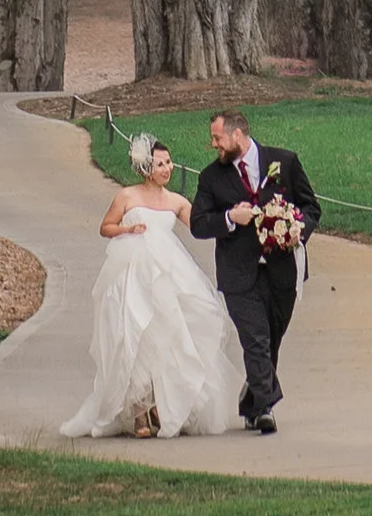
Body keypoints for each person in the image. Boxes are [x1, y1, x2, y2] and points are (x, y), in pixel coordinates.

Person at [57, 133, 245, 439]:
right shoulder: (127, 196)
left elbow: (200, 226)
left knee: (168, 338)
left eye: (169, 162)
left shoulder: (176, 201)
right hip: (133, 273)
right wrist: (127, 229)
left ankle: (158, 404)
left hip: (168, 275)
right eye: (160, 164)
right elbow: (105, 227)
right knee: (135, 337)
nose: (167, 168)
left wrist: (231, 219)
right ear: (146, 168)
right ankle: (138, 412)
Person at [189, 109, 319, 434]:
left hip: (282, 271)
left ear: (237, 135)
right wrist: (230, 218)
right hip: (238, 274)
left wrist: (297, 229)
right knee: (256, 339)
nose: (213, 144)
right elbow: (198, 224)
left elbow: (311, 207)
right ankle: (264, 410)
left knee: (271, 341)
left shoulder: (284, 162)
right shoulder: (211, 178)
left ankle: (252, 398)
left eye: (217, 138)